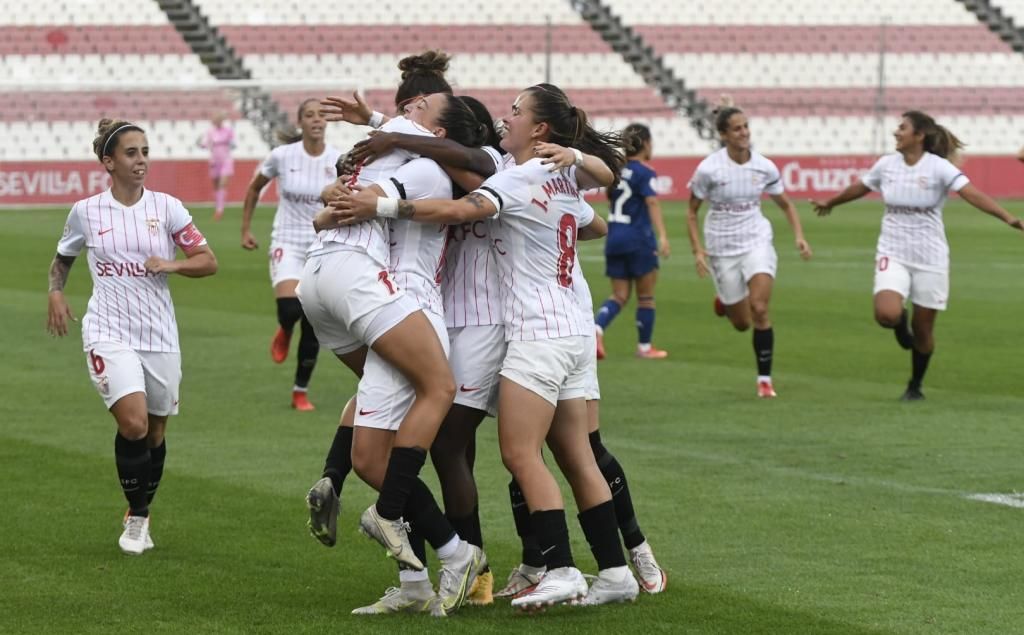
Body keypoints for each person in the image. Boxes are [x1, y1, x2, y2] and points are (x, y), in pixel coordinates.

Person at [325, 83, 640, 610]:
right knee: (556, 450)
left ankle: (502, 565)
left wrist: (387, 202)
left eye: (514, 113)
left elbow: (463, 187)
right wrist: (379, 124)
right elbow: (594, 215)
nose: (505, 118)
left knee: (476, 447)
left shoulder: (501, 171)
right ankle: (592, 565)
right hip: (511, 324)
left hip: (498, 325)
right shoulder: (536, 173)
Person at [46, 118, 218, 555]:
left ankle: (140, 508)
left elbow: (207, 261)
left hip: (159, 333)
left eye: (144, 152)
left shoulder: (168, 208)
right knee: (134, 423)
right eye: (131, 153)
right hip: (107, 329)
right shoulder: (86, 211)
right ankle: (138, 517)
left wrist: (171, 264)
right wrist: (55, 292)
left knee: (156, 432)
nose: (141, 161)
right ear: (109, 162)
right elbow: (64, 257)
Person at [813, 111, 1023, 400]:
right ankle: (899, 323)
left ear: (919, 135)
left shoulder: (938, 167)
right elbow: (861, 186)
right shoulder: (887, 165)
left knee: (923, 332)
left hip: (930, 257)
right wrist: (832, 202)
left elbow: (972, 193)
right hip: (893, 250)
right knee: (886, 314)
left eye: (902, 128)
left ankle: (915, 386)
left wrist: (1008, 218)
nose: (896, 132)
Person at [498, 242, 667, 598]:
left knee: (583, 447)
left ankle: (635, 547)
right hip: (512, 313)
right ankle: (535, 563)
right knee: (526, 452)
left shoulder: (543, 186)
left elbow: (596, 221)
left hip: (563, 312)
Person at [686, 106, 812, 398]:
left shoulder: (764, 166)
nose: (744, 133)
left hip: (756, 240)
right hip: (721, 246)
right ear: (723, 135)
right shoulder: (709, 169)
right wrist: (697, 251)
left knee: (760, 308)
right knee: (742, 323)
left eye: (746, 127)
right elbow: (692, 211)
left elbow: (785, 203)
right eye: (737, 129)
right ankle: (726, 302)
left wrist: (799, 236)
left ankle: (764, 380)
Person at [240, 99, 341, 411]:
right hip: (287, 240)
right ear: (300, 121)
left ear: (327, 123)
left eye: (321, 115)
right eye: (309, 115)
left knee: (313, 320)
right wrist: (246, 229)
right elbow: (254, 188)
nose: (316, 120)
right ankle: (284, 329)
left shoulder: (338, 159)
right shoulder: (282, 156)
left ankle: (300, 391)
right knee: (290, 309)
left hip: (321, 244)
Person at [594, 123, 670, 360]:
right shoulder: (645, 172)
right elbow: (652, 202)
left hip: (614, 237)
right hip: (638, 239)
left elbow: (609, 198)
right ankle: (645, 347)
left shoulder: (616, 170)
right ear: (646, 143)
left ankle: (596, 330)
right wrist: (663, 236)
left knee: (619, 295)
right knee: (645, 297)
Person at [199, 112, 234, 220]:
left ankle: (220, 210)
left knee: (222, 184)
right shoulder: (210, 132)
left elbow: (234, 143)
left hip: (226, 160)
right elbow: (204, 143)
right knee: (216, 185)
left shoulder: (228, 131)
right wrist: (202, 144)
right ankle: (218, 205)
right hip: (214, 161)